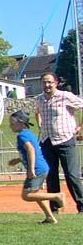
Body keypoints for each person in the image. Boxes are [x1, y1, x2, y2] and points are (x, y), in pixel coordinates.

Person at [34, 72, 83, 214]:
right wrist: (40, 124)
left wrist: (80, 126)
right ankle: (54, 208)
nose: (47, 85)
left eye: (50, 82)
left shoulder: (65, 96)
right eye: (44, 82)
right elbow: (37, 112)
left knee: (72, 175)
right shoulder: (39, 99)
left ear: (56, 83)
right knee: (51, 176)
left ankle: (81, 205)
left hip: (65, 140)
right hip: (47, 141)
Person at [8, 110, 64, 223]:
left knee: (27, 195)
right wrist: (18, 160)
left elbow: (30, 150)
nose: (10, 126)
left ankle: (57, 196)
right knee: (36, 193)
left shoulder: (22, 135)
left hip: (37, 169)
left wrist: (31, 169)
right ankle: (50, 218)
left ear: (21, 123)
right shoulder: (28, 133)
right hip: (42, 167)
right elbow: (31, 152)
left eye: (12, 123)